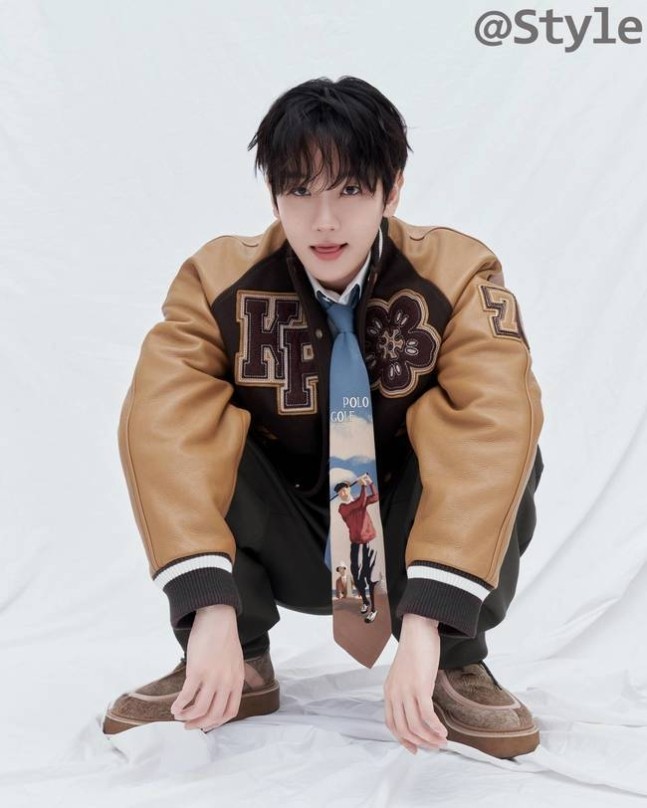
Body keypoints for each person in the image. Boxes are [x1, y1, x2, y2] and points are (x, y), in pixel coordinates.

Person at [102, 75, 545, 760]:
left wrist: (428, 623)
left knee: (508, 442)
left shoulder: (458, 276)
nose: (324, 221)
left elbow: (495, 423)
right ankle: (236, 654)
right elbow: (163, 426)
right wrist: (207, 606)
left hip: (404, 541)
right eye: (300, 190)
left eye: (351, 190)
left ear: (392, 191)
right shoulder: (214, 283)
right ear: (273, 195)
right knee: (182, 427)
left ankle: (454, 661)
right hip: (288, 536)